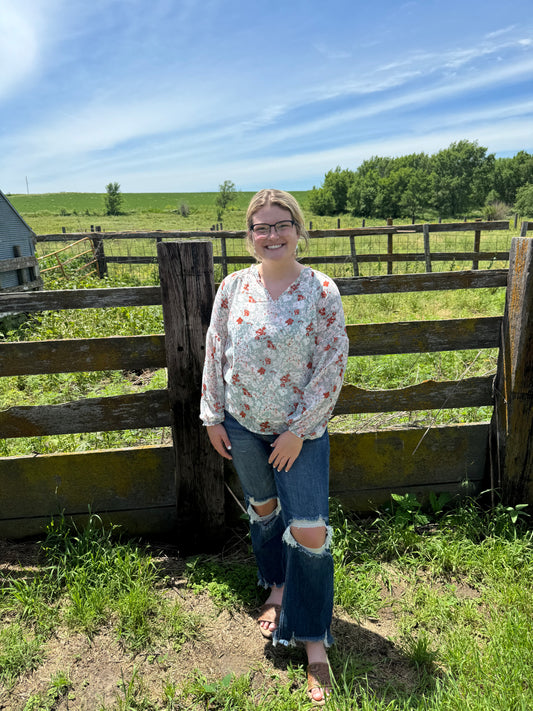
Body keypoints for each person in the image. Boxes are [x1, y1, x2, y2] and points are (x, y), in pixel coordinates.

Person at [200, 189, 349, 705]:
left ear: (298, 228)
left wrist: (298, 430)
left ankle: (313, 642)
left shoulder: (321, 291)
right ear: (249, 235)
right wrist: (213, 415)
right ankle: (278, 587)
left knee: (308, 529)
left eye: (280, 224)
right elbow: (216, 348)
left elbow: (332, 364)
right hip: (240, 425)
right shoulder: (233, 286)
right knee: (264, 511)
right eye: (260, 227)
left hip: (298, 432)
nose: (270, 235)